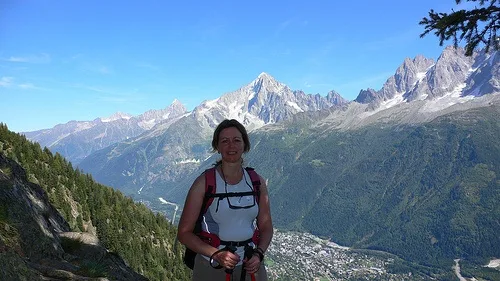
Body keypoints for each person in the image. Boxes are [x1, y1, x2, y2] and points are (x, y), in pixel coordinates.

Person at [177, 119, 273, 281]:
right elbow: (184, 233)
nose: (231, 146)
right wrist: (216, 254)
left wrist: (259, 253)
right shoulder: (204, 183)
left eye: (236, 140)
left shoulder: (257, 182)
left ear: (245, 145)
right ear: (217, 147)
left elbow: (266, 226)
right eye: (225, 141)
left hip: (250, 263)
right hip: (212, 265)